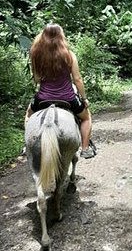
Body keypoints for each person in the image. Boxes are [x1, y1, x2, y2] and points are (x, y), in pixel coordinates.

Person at [25, 24, 96, 158]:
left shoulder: (36, 54)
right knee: (86, 118)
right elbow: (78, 79)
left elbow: (36, 78)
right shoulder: (69, 55)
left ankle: (27, 146)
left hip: (43, 98)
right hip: (68, 98)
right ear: (61, 36)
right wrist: (84, 98)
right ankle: (85, 149)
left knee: (29, 115)